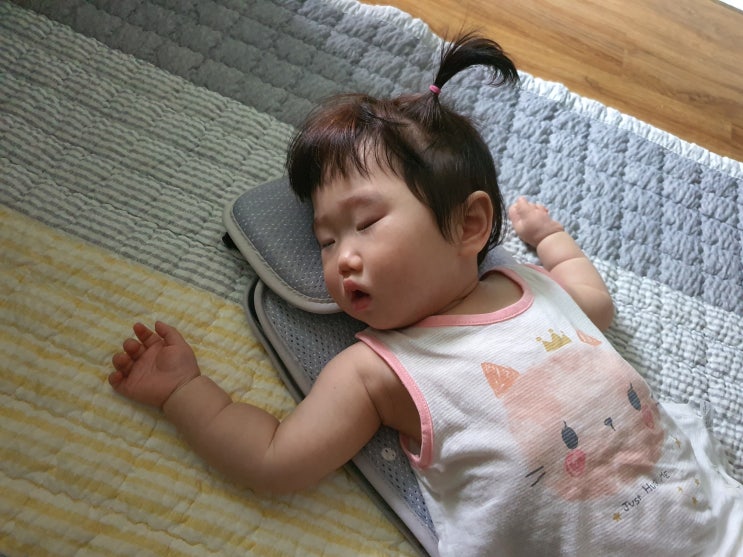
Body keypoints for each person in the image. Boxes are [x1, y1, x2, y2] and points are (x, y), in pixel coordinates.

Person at [110, 33, 742, 556]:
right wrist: (184, 392)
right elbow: (275, 458)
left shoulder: (527, 286)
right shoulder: (377, 370)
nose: (341, 256)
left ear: (469, 226)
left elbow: (594, 303)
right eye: (326, 240)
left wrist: (551, 240)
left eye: (366, 222)